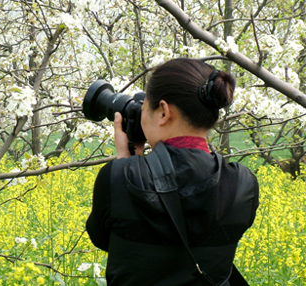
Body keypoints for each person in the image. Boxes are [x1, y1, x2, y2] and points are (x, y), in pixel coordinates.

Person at [86, 58, 259, 286]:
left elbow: (105, 239)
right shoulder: (243, 184)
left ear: (164, 112)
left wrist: (126, 164)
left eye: (145, 107)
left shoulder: (118, 178)